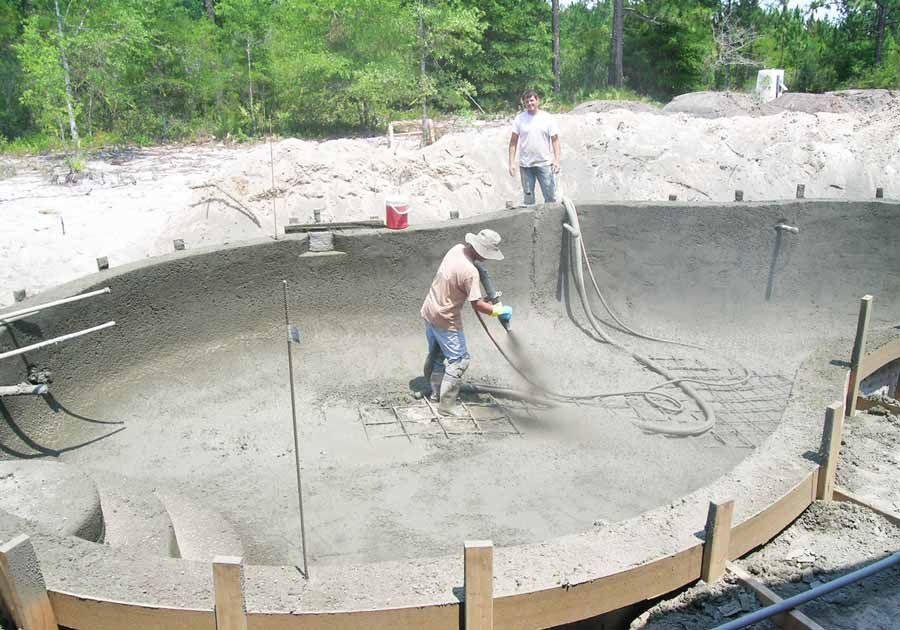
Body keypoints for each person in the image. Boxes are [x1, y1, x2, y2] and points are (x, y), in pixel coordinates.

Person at [420, 229, 513, 416]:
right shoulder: (470, 273)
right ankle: (446, 406)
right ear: (481, 251)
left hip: (429, 310)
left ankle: (436, 394)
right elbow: (477, 304)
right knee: (459, 360)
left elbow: (462, 272)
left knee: (438, 354)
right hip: (446, 318)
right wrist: (499, 311)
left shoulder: (456, 249)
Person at [508, 89, 561, 205]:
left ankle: (551, 222)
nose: (530, 103)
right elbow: (513, 142)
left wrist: (557, 160)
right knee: (528, 200)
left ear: (537, 101)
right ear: (524, 103)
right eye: (527, 101)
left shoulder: (547, 118)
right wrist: (511, 162)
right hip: (526, 166)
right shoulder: (519, 119)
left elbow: (555, 140)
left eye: (532, 100)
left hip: (544, 164)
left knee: (550, 198)